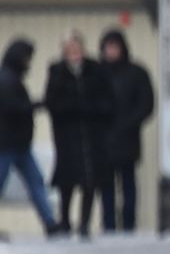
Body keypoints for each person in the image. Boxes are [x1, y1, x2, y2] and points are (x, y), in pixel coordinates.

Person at [44, 32, 113, 238]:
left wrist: (93, 111)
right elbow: (52, 101)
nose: (74, 54)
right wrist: (71, 107)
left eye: (77, 49)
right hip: (67, 134)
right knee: (67, 179)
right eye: (70, 50)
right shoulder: (57, 71)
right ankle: (65, 220)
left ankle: (85, 222)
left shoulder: (95, 70)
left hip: (92, 133)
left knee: (90, 179)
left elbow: (107, 100)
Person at [97, 29, 155, 233]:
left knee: (128, 182)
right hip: (103, 139)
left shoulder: (137, 73)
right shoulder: (97, 73)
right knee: (106, 185)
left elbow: (147, 103)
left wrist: (130, 123)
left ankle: (129, 224)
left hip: (128, 138)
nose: (111, 51)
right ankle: (109, 224)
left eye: (115, 47)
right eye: (108, 47)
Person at [0, 39, 59, 235]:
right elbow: (13, 108)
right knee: (34, 183)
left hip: (17, 145)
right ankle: (50, 222)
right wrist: (36, 105)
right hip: (8, 145)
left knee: (36, 182)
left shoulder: (9, 78)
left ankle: (50, 223)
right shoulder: (7, 80)